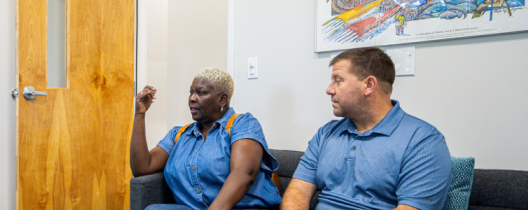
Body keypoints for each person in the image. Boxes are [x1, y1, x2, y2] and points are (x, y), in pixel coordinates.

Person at [280, 47, 451, 210]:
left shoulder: (423, 140)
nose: (329, 89)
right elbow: (298, 190)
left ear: (369, 85)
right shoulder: (326, 133)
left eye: (338, 81)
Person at [130, 67, 281, 210]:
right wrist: (140, 114)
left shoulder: (242, 124)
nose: (192, 99)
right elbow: (142, 168)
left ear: (222, 99)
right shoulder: (179, 135)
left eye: (200, 93)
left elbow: (243, 173)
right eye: (191, 92)